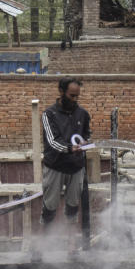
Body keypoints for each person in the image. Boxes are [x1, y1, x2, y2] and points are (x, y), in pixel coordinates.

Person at [40, 77, 91, 228]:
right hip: (55, 166)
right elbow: (52, 141)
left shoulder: (83, 114)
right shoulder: (49, 114)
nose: (75, 99)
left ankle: (71, 246)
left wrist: (85, 143)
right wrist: (70, 148)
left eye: (77, 96)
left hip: (76, 167)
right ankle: (44, 244)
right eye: (71, 96)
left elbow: (87, 135)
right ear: (61, 92)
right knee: (50, 206)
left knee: (73, 207)